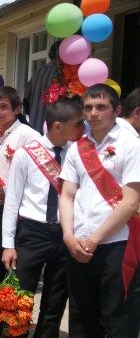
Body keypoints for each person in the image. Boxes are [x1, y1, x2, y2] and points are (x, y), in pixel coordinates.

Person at [59, 84, 140, 337]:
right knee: (81, 317)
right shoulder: (76, 148)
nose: (93, 113)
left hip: (116, 245)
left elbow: (131, 202)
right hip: (78, 244)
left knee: (118, 317)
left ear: (116, 110)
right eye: (88, 108)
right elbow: (67, 195)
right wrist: (68, 236)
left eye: (101, 107)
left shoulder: (131, 145)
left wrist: (95, 239)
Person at [1, 99, 85, 337]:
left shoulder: (76, 154)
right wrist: (8, 244)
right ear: (58, 126)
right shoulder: (26, 154)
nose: (83, 129)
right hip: (33, 232)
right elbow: (12, 200)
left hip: (66, 233)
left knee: (56, 299)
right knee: (21, 296)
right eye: (78, 124)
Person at [0, 86, 41, 338]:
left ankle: (16, 330)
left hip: (18, 216)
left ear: (17, 109)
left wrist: (6, 193)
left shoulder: (29, 136)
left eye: (3, 107)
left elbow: (38, 179)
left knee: (16, 274)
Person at [24, 42, 62, 134]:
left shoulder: (40, 70)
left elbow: (26, 95)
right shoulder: (62, 72)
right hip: (53, 127)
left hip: (34, 123)